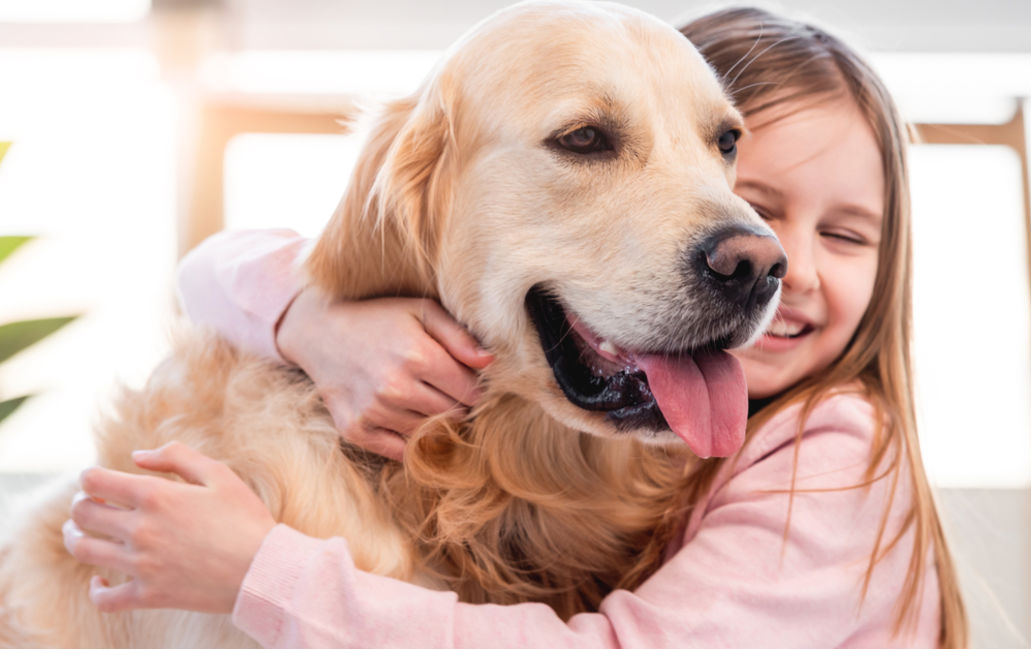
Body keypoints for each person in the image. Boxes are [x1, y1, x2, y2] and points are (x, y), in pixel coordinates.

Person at [62, 6, 968, 648]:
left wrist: (259, 570)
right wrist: (314, 317)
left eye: (718, 146)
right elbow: (221, 266)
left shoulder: (826, 452)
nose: (768, 257)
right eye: (587, 140)